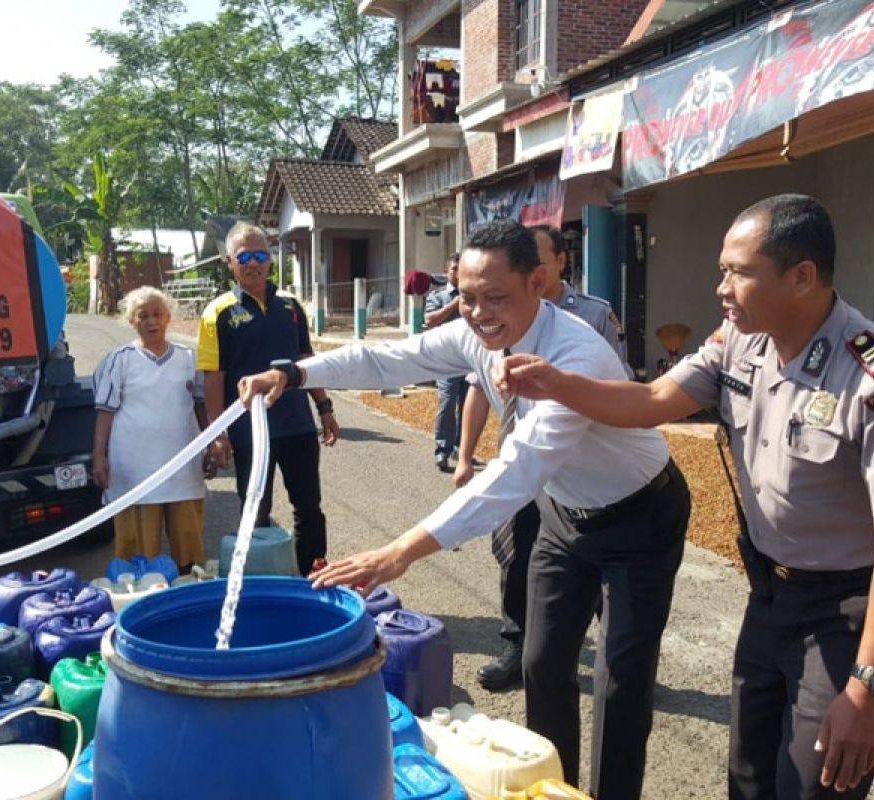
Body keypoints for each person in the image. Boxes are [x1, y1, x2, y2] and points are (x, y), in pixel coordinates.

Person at [497, 194, 874, 799]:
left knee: (815, 786)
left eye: (738, 272)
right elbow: (650, 404)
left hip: (849, 608)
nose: (721, 288)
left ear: (801, 276)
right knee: (749, 777)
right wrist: (555, 382)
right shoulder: (741, 341)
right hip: (771, 591)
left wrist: (868, 688)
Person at [240, 219, 691, 800]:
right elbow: (388, 362)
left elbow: (514, 474)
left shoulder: (576, 353)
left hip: (638, 517)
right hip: (565, 515)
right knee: (542, 662)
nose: (477, 313)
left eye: (494, 297)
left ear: (538, 281)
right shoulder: (474, 336)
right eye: (466, 297)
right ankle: (556, 790)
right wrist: (296, 372)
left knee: (621, 681)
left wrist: (401, 551)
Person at [458, 223, 630, 691]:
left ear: (554, 266)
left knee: (589, 565)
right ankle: (519, 644)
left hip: (572, 460)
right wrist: (465, 456)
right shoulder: (491, 318)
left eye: (538, 258)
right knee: (516, 552)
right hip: (519, 450)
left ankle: (617, 656)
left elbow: (619, 388)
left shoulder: (590, 318)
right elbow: (476, 386)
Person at [198, 222, 339, 576]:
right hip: (250, 432)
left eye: (260, 255)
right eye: (244, 256)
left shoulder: (291, 306)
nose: (253, 263)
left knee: (308, 505)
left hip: (297, 425)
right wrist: (218, 434)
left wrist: (324, 408)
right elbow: (213, 380)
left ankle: (313, 574)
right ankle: (259, 579)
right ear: (229, 261)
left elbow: (308, 362)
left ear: (270, 260)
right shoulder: (217, 313)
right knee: (255, 507)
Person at [92, 286, 211, 570]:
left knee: (188, 548)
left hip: (182, 466)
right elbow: (105, 412)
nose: (151, 321)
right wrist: (98, 455)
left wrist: (214, 442)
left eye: (157, 314)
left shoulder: (189, 358)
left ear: (168, 317)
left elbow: (202, 406)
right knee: (137, 555)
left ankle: (190, 596)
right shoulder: (119, 360)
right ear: (131, 321)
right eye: (142, 315)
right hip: (135, 470)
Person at [424, 252, 466, 471]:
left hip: (471, 360)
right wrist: (454, 304)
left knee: (469, 406)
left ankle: (462, 448)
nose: (458, 273)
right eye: (454, 269)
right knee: (447, 404)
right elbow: (429, 321)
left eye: (462, 269)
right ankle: (442, 451)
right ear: (446, 272)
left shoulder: (474, 294)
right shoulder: (437, 296)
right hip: (447, 361)